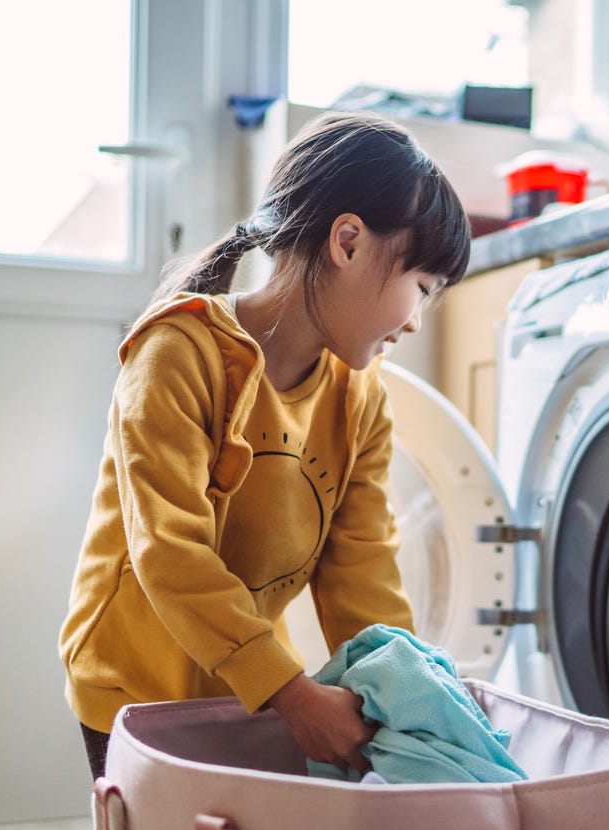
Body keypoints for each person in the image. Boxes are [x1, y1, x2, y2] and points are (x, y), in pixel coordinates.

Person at [59, 111, 471, 782]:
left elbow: (362, 574)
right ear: (348, 242)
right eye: (420, 287)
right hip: (132, 683)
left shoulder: (360, 402)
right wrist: (295, 696)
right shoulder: (178, 354)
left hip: (243, 681)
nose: (416, 319)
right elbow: (171, 553)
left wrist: (408, 691)